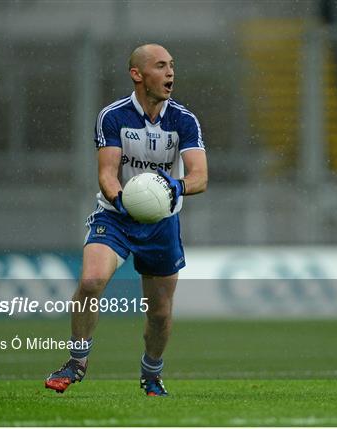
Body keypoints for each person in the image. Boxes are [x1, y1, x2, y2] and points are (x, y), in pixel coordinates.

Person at [45, 43, 208, 396]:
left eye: (172, 66)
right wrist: (125, 201)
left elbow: (200, 178)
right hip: (116, 216)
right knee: (90, 281)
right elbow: (106, 174)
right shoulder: (114, 116)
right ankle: (76, 361)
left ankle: (151, 373)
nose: (170, 73)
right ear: (137, 74)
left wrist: (170, 188)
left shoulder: (184, 120)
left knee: (160, 314)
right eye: (161, 66)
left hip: (162, 223)